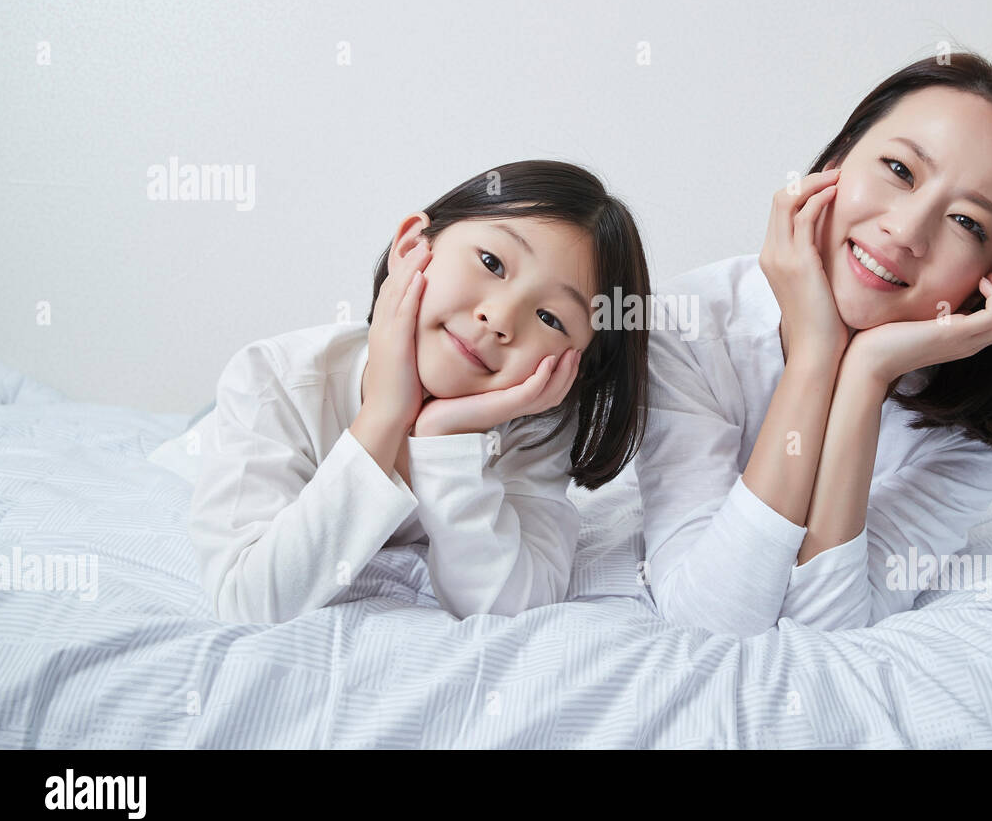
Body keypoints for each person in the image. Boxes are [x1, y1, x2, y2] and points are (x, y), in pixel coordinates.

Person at [634, 52, 992, 636]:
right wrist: (815, 357)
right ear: (835, 162)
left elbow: (824, 626)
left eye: (967, 223)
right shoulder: (684, 326)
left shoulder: (987, 419)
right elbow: (710, 619)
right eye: (900, 171)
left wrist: (864, 376)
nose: (906, 232)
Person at [187, 160, 650, 624]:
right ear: (412, 247)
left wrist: (447, 438)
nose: (500, 318)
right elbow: (249, 602)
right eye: (492, 263)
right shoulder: (271, 378)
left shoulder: (537, 425)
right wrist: (385, 414)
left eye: (550, 318)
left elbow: (508, 603)